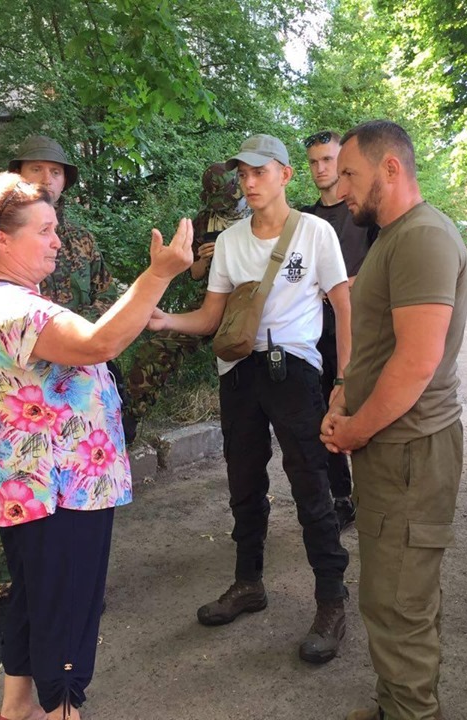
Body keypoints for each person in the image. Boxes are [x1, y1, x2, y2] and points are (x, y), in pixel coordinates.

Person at [0, 172, 192, 720]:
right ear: (2, 240)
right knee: (65, 629)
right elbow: (100, 343)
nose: (58, 241)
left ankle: (16, 711)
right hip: (57, 498)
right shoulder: (9, 308)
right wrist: (158, 276)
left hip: (41, 494)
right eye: (44, 230)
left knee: (36, 608)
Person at [149, 134, 352, 664]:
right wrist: (166, 319)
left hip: (295, 373)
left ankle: (332, 601)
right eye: (243, 173)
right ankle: (248, 582)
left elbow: (344, 306)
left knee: (311, 486)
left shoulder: (316, 232)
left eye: (260, 171)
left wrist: (345, 378)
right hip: (239, 374)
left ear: (286, 175)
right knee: (244, 482)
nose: (249, 181)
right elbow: (212, 318)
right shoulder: (233, 240)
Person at [320, 121, 467, 720]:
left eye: (350, 173)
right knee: (394, 594)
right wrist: (343, 397)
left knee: (399, 604)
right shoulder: (394, 235)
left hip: (409, 450)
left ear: (390, 169)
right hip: (394, 449)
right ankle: (394, 707)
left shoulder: (422, 239)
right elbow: (380, 342)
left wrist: (356, 428)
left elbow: (415, 361)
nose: (339, 184)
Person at [0, 135, 123, 665]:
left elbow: (104, 303)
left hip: (72, 408)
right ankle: (2, 604)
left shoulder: (77, 240)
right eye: (36, 169)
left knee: (65, 549)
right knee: (21, 526)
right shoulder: (4, 245)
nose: (47, 179)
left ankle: (51, 621)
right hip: (24, 409)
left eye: (56, 172)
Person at [125, 162, 249, 418]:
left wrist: (230, 252)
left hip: (248, 300)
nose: (222, 207)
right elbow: (195, 274)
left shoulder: (258, 215)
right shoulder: (204, 221)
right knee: (157, 348)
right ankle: (129, 416)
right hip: (208, 299)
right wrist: (203, 259)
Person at [302, 130, 373, 532]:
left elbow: (383, 263)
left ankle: (372, 492)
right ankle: (340, 496)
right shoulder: (306, 221)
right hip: (316, 334)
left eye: (327, 160)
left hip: (362, 330)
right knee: (324, 411)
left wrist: (347, 286)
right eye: (313, 162)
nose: (320, 169)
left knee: (363, 406)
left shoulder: (362, 212)